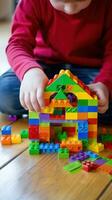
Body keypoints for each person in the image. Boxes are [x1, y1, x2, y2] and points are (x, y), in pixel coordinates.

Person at [0, 0, 112, 124]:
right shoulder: (32, 2)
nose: (70, 9)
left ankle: (58, 110)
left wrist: (105, 84)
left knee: (104, 100)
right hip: (45, 67)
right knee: (4, 92)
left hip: (90, 72)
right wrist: (30, 72)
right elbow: (17, 44)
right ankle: (71, 111)